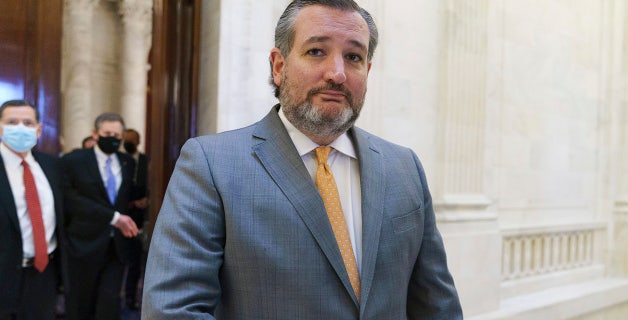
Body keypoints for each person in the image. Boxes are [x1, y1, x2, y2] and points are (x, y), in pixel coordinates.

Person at [143, 0, 463, 319]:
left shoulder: (404, 167)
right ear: (279, 66)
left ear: (366, 71)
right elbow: (172, 311)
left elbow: (438, 306)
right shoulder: (211, 165)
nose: (337, 74)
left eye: (353, 57)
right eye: (316, 52)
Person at [62, 113, 139, 320]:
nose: (112, 138)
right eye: (107, 133)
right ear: (95, 134)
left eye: (117, 135)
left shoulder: (127, 162)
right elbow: (71, 199)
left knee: (109, 303)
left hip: (117, 247)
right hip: (83, 244)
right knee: (81, 305)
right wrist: (113, 217)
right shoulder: (74, 160)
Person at [0, 99, 67, 319]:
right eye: (12, 121)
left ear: (38, 130)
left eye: (28, 122)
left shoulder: (51, 165)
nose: (20, 127)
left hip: (43, 275)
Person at [122, 128, 149, 310]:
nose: (128, 142)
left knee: (135, 261)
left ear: (138, 141)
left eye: (131, 140)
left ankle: (131, 298)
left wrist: (148, 200)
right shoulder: (119, 160)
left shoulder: (147, 161)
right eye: (126, 139)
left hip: (140, 218)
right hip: (121, 215)